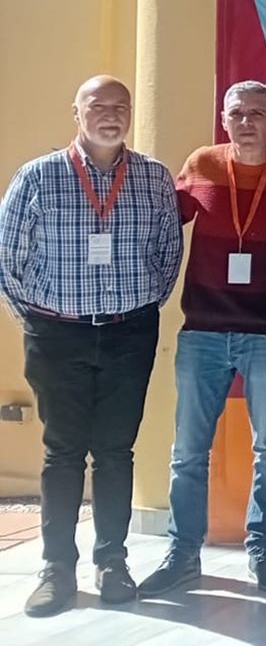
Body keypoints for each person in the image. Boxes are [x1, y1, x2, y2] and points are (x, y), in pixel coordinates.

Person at [0, 75, 182, 618]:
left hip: (129, 331)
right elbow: (8, 259)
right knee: (61, 451)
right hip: (57, 332)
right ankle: (56, 568)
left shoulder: (152, 178)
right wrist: (37, 321)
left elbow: (168, 254)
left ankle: (112, 562)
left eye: (119, 106)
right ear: (75, 113)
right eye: (97, 105)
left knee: (115, 451)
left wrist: (141, 306)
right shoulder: (39, 177)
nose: (110, 114)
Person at [137, 81, 266, 599]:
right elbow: (158, 224)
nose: (247, 121)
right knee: (188, 452)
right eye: (237, 114)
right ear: (223, 120)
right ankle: (183, 554)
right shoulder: (202, 164)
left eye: (257, 113)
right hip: (203, 331)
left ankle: (262, 548)